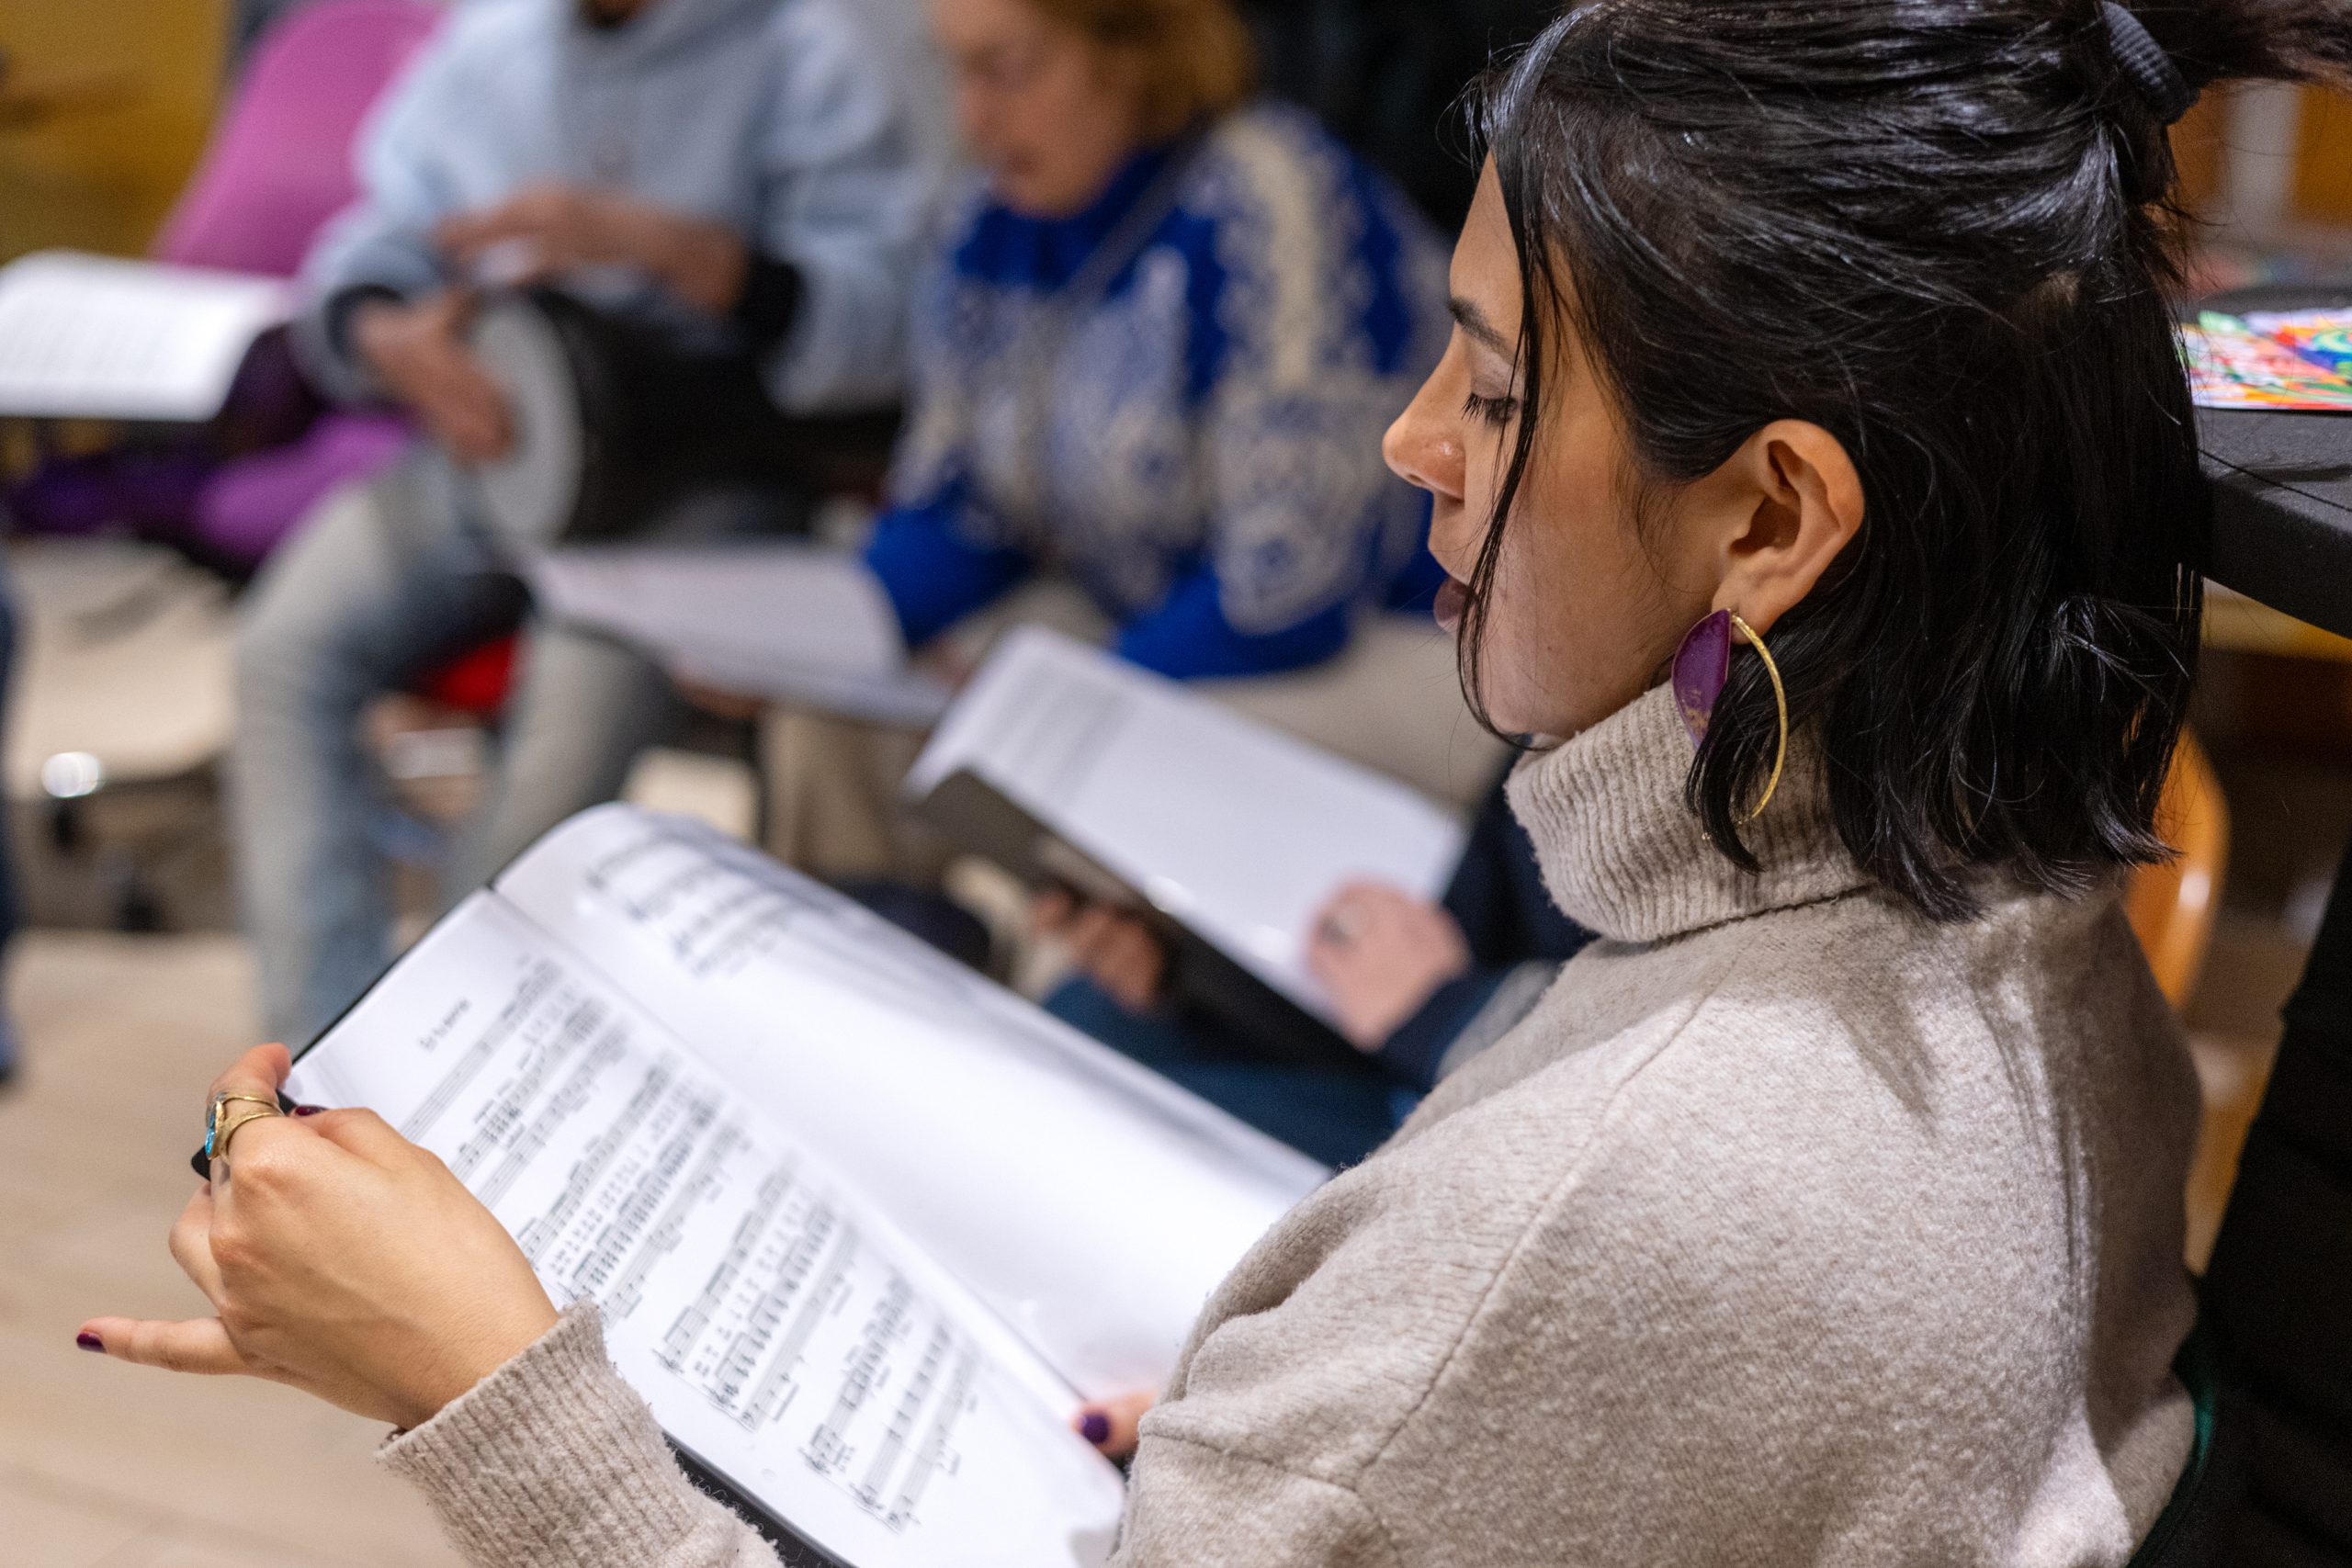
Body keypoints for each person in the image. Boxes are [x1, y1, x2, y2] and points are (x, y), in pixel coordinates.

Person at [85, 0, 2275, 1558]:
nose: (1414, 440)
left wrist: (497, 1391)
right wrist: (1340, 1459)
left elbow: (1557, 1298)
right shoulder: (2006, 904)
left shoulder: (1631, 1203)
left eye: (1494, 392)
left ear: (1773, 519)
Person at [231, 0, 937, 1046]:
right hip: (496, 440)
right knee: (282, 654)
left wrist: (701, 261)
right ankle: (329, 1059)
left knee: (558, 751)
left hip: (690, 479)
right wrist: (386, 334)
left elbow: (897, 327)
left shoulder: (813, 49)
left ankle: (441, 1081)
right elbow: (374, 240)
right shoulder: (496, 41)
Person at [858, 0, 1447, 682]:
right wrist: (824, 626)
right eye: (954, 72)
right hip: (1142, 616)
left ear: (1134, 54)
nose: (972, 117)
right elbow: (960, 507)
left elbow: (1292, 584)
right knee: (845, 705)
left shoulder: (1271, 201)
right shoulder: (992, 216)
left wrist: (1077, 695)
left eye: (1008, 69)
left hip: (1385, 639)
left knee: (1053, 764)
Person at [1035, 764, 1591, 1166]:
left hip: (1507, 1079)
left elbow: (1646, 1075)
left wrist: (1444, 1014)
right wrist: (1203, 973)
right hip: (1470, 962)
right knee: (1082, 1016)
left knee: (1091, 1098)